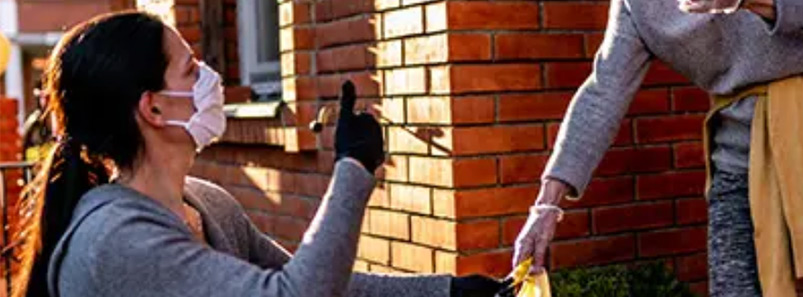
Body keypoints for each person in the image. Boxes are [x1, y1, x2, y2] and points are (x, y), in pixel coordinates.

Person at [11, 12, 508, 297]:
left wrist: (450, 292)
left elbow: (328, 284)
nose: (212, 80)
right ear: (154, 107)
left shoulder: (207, 203)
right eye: (192, 70)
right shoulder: (115, 240)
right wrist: (352, 171)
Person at [511, 0, 803, 296]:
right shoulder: (637, 7)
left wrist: (750, 1)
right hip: (743, 158)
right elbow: (603, 92)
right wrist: (546, 205)